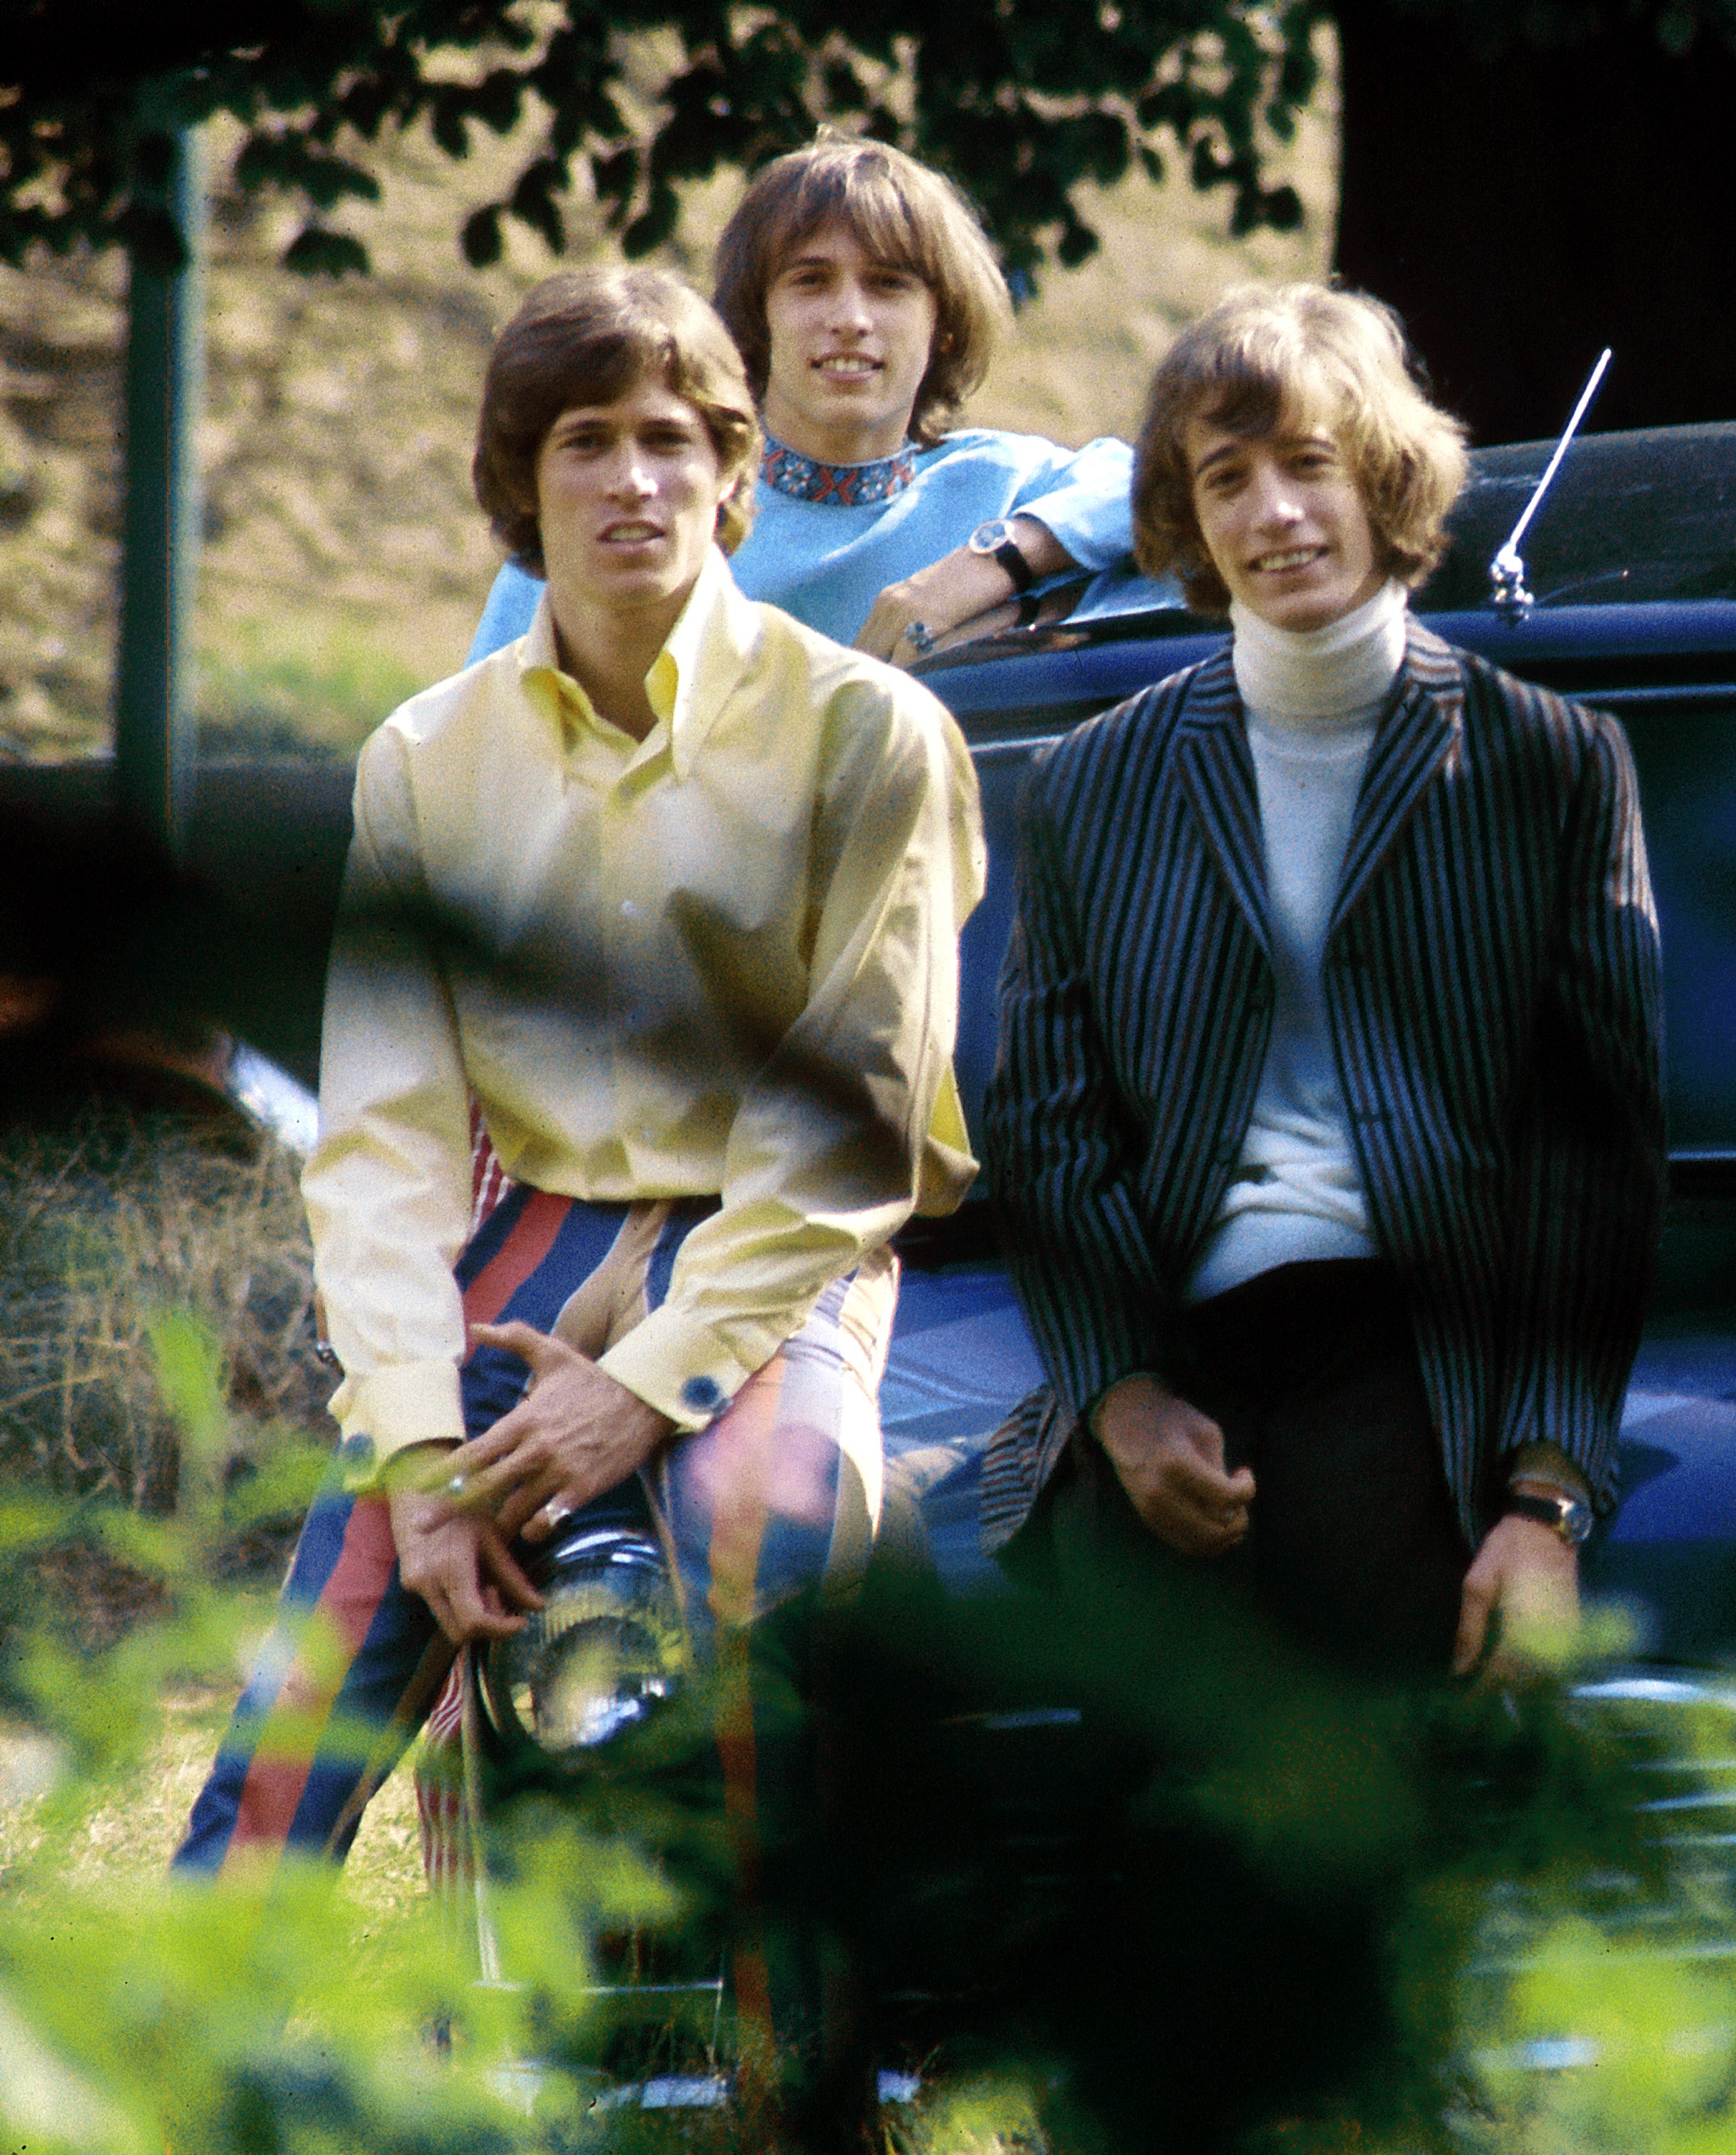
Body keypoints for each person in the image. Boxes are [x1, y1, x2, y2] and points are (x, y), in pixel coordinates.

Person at [175, 262, 982, 2031]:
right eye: (585, 443)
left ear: (732, 471)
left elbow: (852, 1124)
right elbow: (379, 1143)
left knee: (761, 1531)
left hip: (779, 1223)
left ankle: (801, 2062)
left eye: (675, 441)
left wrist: (649, 1384)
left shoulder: (871, 733)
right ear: (518, 486)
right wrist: (411, 1451)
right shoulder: (422, 758)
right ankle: (161, 2075)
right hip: (527, 1229)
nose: (634, 481)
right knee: (323, 1671)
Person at [977, 278, 1664, 1688]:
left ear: (1385, 477)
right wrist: (1120, 1399)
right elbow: (1047, 1123)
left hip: (1417, 1343)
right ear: (1188, 514)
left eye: (1311, 464)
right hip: (1172, 1341)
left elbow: (1592, 1156)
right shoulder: (1095, 781)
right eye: (1228, 478)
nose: (1276, 513)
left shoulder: (1553, 763)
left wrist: (1544, 1497)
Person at [467, 132, 1135, 665]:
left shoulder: (1003, 488)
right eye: (810, 281)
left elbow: (1175, 493)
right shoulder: (653, 503)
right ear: (756, 320)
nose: (849, 317)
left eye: (888, 284)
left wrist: (996, 566)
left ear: (946, 325)